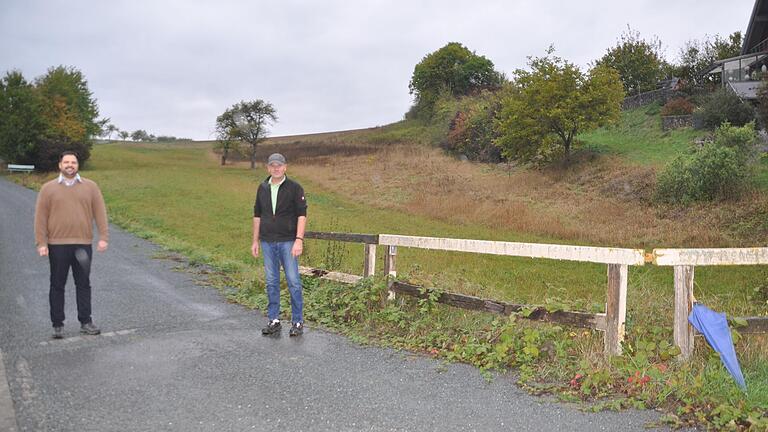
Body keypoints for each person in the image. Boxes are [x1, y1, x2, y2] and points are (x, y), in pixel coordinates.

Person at [34, 151, 108, 339]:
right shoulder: (48, 188)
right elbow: (40, 218)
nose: (70, 165)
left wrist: (103, 237)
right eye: (66, 162)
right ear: (60, 165)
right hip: (57, 245)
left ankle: (86, 322)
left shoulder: (90, 187)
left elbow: (100, 212)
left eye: (73, 162)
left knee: (83, 284)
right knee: (57, 284)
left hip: (82, 244)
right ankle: (57, 325)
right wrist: (41, 242)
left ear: (77, 165)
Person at [251, 153, 308, 336]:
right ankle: (274, 320)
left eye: (279, 165)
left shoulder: (294, 188)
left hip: (288, 242)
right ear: (268, 168)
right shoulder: (262, 188)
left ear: (285, 167)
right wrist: (255, 240)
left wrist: (299, 240)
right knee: (271, 282)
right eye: (272, 165)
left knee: (293, 281)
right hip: (267, 242)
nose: (276, 168)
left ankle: (297, 322)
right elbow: (257, 216)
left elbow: (302, 215)